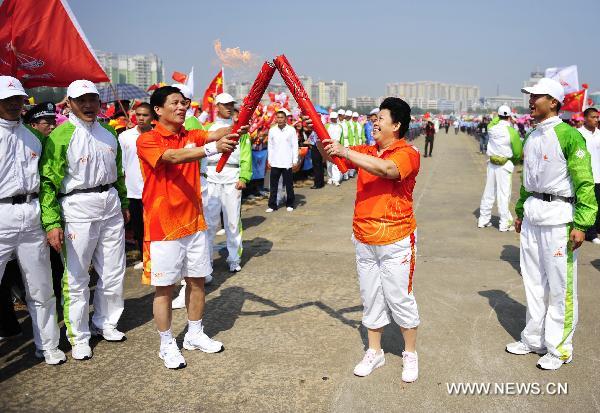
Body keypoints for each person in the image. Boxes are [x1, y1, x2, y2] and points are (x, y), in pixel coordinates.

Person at [136, 85, 242, 369]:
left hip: (194, 224)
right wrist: (209, 149)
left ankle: (194, 334)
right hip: (163, 228)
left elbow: (217, 133)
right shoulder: (149, 139)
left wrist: (237, 125)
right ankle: (166, 343)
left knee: (197, 281)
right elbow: (171, 157)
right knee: (165, 289)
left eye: (184, 103)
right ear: (158, 110)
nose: (182, 107)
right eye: (175, 103)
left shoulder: (190, 134)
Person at [320, 97, 421, 383]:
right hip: (364, 238)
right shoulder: (366, 150)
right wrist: (320, 138)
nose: (374, 122)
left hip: (396, 238)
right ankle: (374, 352)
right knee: (371, 297)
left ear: (397, 125)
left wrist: (346, 152)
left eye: (381, 118)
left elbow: (387, 170)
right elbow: (334, 156)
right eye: (374, 118)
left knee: (399, 297)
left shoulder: (407, 152)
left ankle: (410, 353)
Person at [508, 78, 597, 370]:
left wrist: (582, 222)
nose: (531, 101)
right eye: (530, 96)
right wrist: (521, 210)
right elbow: (526, 181)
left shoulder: (569, 136)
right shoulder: (531, 135)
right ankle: (533, 338)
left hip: (559, 218)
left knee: (560, 287)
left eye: (537, 96)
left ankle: (559, 347)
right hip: (533, 215)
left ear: (554, 102)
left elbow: (585, 183)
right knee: (533, 282)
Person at [40, 79, 130, 361]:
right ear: (69, 103)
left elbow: (119, 173)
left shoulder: (108, 134)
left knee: (114, 270)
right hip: (77, 207)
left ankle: (106, 322)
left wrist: (124, 203)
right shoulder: (61, 136)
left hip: (110, 204)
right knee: (77, 276)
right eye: (82, 101)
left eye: (93, 99)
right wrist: (52, 222)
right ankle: (78, 336)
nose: (89, 105)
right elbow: (47, 183)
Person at [0, 76, 66, 365]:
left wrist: (51, 221)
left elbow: (47, 180)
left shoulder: (34, 137)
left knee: (41, 287)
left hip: (31, 212)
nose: (14, 104)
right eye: (7, 99)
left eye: (18, 99)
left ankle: (48, 346)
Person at [202, 93, 251, 273]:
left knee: (232, 221)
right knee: (210, 222)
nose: (229, 107)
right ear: (217, 107)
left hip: (232, 175)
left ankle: (234, 258)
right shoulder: (207, 128)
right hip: (211, 176)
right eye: (224, 105)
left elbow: (246, 154)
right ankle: (206, 262)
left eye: (231, 104)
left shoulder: (241, 129)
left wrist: (244, 177)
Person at [118, 102, 153, 270]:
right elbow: (122, 166)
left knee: (153, 227)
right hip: (132, 191)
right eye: (138, 114)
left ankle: (156, 258)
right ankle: (144, 257)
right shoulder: (125, 137)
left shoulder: (157, 136)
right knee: (138, 227)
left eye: (145, 115)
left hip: (153, 190)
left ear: (152, 117)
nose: (141, 118)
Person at [477, 105, 523, 232]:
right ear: (509, 116)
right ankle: (504, 223)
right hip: (505, 165)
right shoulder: (511, 131)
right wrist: (514, 161)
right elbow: (518, 151)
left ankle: (483, 219)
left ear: (498, 116)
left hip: (492, 164)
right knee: (504, 194)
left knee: (489, 192)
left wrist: (498, 117)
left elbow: (493, 122)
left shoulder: (491, 128)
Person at [266, 110, 298, 212]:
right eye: (278, 117)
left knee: (289, 185)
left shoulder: (291, 130)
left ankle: (290, 203)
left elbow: (295, 146)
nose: (279, 119)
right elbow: (270, 146)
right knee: (274, 185)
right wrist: (269, 160)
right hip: (275, 161)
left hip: (287, 161)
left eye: (282, 117)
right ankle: (272, 205)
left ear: (285, 119)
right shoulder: (272, 130)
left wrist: (295, 160)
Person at [577, 107, 600, 244]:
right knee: (584, 205)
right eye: (593, 117)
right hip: (583, 177)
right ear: (585, 118)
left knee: (596, 206)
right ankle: (589, 233)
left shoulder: (599, 134)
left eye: (597, 117)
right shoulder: (578, 134)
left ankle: (594, 231)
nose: (596, 120)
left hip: (598, 176)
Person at [325, 111, 343, 186]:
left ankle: (336, 179)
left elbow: (341, 137)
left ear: (337, 118)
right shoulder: (327, 126)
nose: (333, 119)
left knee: (336, 162)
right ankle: (330, 178)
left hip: (337, 145)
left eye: (334, 118)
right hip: (328, 145)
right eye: (332, 118)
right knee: (329, 163)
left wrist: (342, 147)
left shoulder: (340, 126)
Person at [304, 122, 324, 189]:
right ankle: (321, 182)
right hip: (319, 148)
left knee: (316, 166)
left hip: (315, 148)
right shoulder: (320, 129)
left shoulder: (315, 131)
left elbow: (310, 141)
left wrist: (306, 142)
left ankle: (317, 184)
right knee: (319, 166)